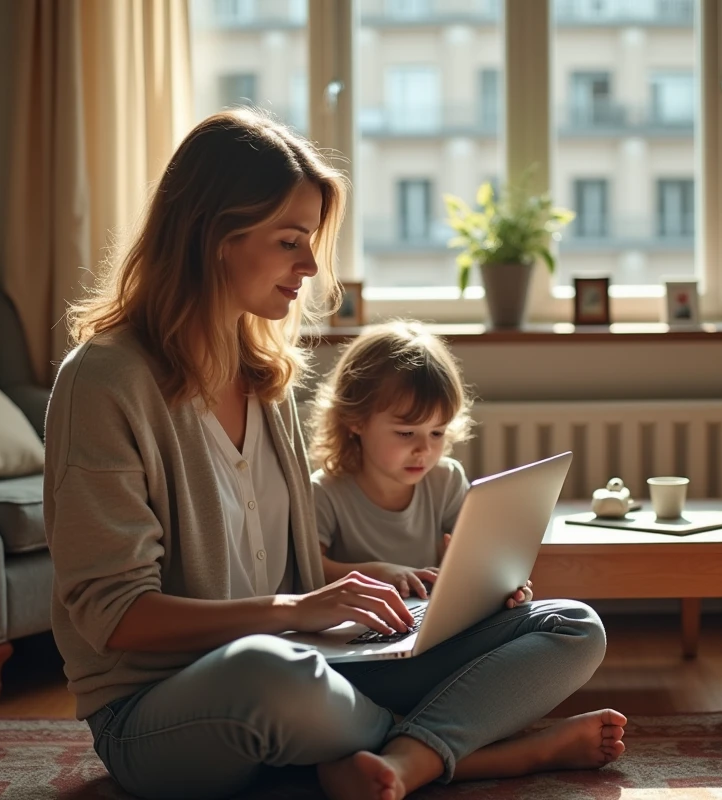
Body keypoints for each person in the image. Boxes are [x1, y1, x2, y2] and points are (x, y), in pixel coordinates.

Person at [43, 107, 626, 800]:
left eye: (311, 240)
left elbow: (295, 579)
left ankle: (400, 755)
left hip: (309, 664)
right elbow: (116, 616)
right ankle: (476, 752)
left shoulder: (265, 381)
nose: (311, 265)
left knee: (570, 625)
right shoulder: (104, 380)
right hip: (164, 706)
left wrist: (423, 602)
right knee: (269, 673)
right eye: (291, 240)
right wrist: (295, 609)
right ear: (213, 236)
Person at [307, 320, 473, 599]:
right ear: (356, 420)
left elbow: (475, 556)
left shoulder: (447, 480)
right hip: (361, 620)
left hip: (430, 615)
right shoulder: (325, 493)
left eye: (437, 432)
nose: (424, 449)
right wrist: (377, 573)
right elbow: (309, 569)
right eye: (406, 433)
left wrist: (498, 583)